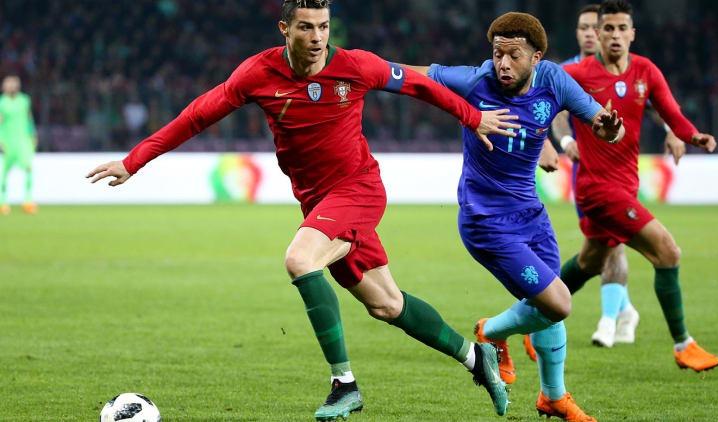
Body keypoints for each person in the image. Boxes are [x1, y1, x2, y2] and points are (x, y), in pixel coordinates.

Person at [87, 1, 517, 420]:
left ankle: (344, 385)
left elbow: (420, 86)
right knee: (387, 304)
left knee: (300, 259)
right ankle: (475, 357)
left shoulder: (356, 66)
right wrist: (134, 161)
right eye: (306, 27)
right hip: (317, 201)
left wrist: (472, 117)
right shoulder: (258, 73)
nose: (317, 37)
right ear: (285, 29)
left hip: (358, 189)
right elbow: (197, 116)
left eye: (323, 27)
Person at [408, 12, 624, 421]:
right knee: (558, 303)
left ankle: (552, 396)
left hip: (531, 215)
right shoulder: (475, 81)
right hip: (486, 222)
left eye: (513, 55)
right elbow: (412, 76)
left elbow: (604, 125)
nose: (502, 64)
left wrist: (611, 129)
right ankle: (490, 331)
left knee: (547, 305)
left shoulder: (554, 80)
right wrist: (357, 66)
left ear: (536, 57)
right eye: (497, 54)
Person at [555, 0, 718, 372]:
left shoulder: (645, 70)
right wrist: (555, 145)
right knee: (668, 252)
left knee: (589, 262)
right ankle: (683, 344)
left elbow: (671, 112)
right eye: (608, 28)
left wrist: (691, 135)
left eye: (621, 28)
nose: (615, 35)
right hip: (598, 189)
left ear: (632, 33)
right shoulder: (577, 74)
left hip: (625, 184)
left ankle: (530, 318)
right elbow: (547, 106)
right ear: (597, 34)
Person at [0, 75, 38, 215]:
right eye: (9, 84)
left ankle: (28, 201)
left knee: (28, 169)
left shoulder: (24, 100)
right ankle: (3, 202)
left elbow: (29, 118)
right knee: (4, 172)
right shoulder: (2, 102)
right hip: (8, 141)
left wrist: (33, 134)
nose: (12, 86)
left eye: (14, 84)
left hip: (23, 141)